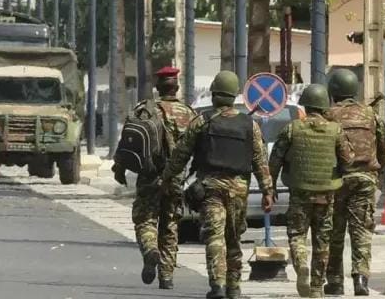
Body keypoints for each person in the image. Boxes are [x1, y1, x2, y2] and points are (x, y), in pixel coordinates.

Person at [160, 70, 274, 299]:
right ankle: (234, 287)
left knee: (214, 237)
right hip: (239, 190)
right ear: (234, 96)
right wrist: (267, 191)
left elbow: (180, 155)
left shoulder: (202, 121)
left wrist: (167, 178)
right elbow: (260, 161)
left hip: (211, 187)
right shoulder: (249, 125)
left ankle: (218, 286)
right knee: (233, 238)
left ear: (214, 94)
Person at [112, 66, 196, 289]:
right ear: (176, 86)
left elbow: (127, 142)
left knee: (145, 220)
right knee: (170, 226)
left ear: (158, 87)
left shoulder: (145, 111)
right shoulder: (189, 114)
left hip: (148, 177)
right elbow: (201, 147)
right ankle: (166, 276)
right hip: (176, 180)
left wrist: (119, 169)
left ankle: (150, 249)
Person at [268, 84, 352, 298]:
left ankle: (301, 264)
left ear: (305, 105)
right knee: (322, 240)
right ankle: (316, 286)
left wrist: (269, 187)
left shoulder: (292, 128)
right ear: (324, 105)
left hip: (300, 192)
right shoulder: (335, 130)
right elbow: (348, 160)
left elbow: (274, 160)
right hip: (326, 193)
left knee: (297, 234)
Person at [323, 69, 385, 296]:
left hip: (336, 179)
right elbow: (384, 146)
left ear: (333, 91)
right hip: (365, 179)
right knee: (361, 231)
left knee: (335, 231)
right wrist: (376, 170)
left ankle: (334, 282)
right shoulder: (371, 115)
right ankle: (360, 279)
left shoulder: (328, 115)